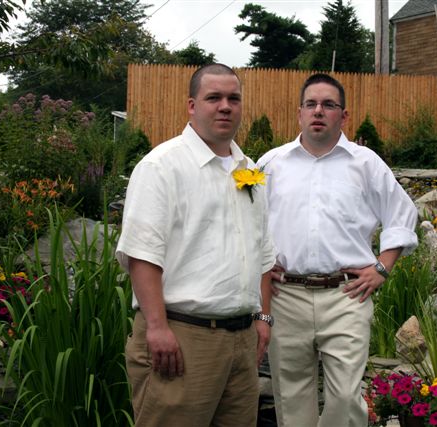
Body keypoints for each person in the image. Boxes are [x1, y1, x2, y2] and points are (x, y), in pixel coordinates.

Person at [116, 63, 276, 427]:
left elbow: (263, 250)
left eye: (234, 98)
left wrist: (263, 318)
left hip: (242, 341)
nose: (225, 106)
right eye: (213, 98)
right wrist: (157, 327)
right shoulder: (162, 166)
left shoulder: (248, 170)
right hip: (183, 337)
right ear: (192, 106)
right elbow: (142, 254)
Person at [257, 73, 419, 427]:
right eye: (311, 104)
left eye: (328, 105)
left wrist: (382, 268)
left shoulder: (365, 163)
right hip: (286, 296)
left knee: (346, 398)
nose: (319, 111)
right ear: (299, 113)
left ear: (343, 116)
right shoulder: (271, 164)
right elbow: (248, 222)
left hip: (346, 296)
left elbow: (402, 213)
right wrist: (261, 270)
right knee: (291, 398)